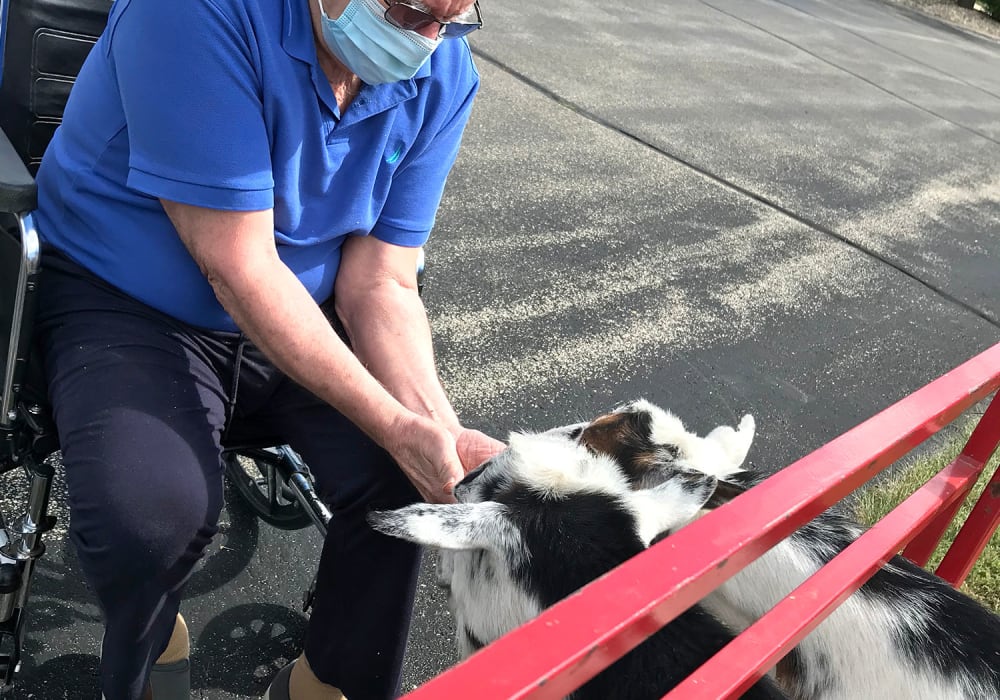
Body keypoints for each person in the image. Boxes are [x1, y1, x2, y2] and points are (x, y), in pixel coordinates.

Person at [31, 0, 506, 697]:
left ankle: (325, 682)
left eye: (452, 19)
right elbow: (238, 265)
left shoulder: (443, 71)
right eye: (409, 13)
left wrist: (431, 426)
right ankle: (149, 643)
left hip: (296, 301)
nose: (428, 41)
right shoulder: (194, 14)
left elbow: (381, 279)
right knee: (150, 518)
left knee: (406, 479)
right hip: (128, 297)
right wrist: (394, 424)